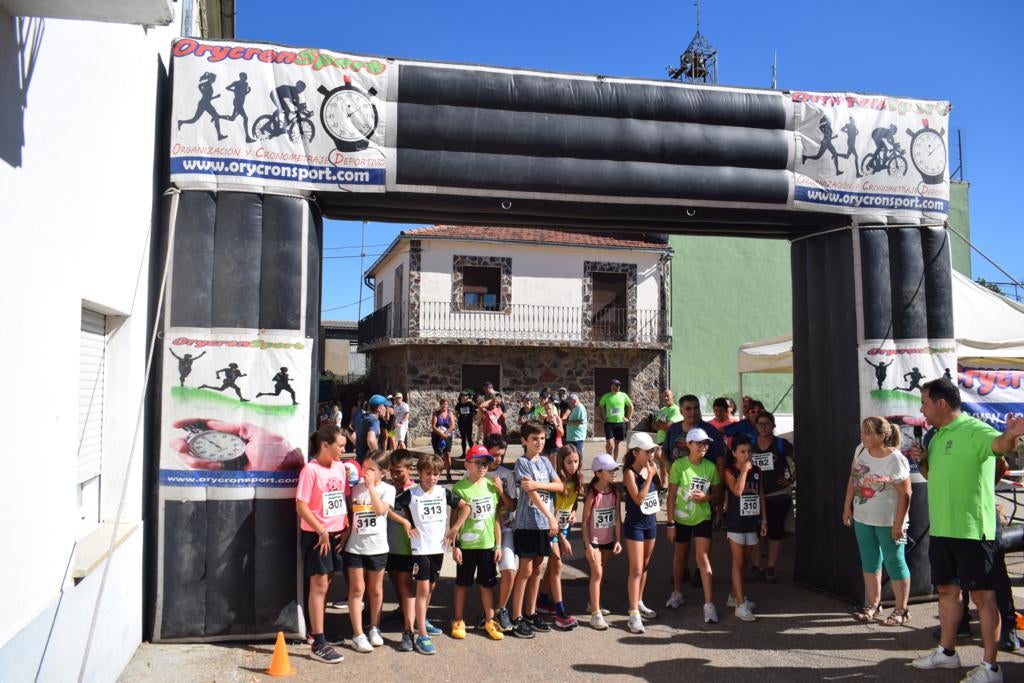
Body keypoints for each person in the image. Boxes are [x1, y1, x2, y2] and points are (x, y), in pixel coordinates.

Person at [909, 378, 1024, 681]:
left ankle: (991, 667)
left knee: (984, 598)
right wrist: (922, 461)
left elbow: (1000, 446)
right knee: (947, 591)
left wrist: (1012, 435)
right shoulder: (936, 436)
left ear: (941, 403)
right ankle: (947, 652)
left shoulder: (975, 430)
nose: (922, 409)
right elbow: (931, 474)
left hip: (974, 531)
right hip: (943, 528)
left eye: (924, 403)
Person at [392, 454, 465, 655]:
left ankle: (421, 620)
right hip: (420, 549)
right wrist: (406, 523)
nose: (432, 478)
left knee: (431, 587)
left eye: (435, 474)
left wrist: (454, 529)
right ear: (419, 473)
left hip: (438, 548)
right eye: (428, 474)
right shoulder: (412, 494)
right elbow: (390, 508)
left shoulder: (443, 492)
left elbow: (465, 507)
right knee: (423, 589)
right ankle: (422, 635)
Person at [842, 417, 911, 626]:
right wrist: (847, 506)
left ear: (882, 436)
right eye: (862, 431)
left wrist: (899, 523)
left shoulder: (895, 458)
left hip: (889, 520)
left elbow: (906, 493)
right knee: (869, 560)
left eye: (868, 432)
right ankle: (873, 604)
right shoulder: (860, 450)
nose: (862, 436)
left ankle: (901, 610)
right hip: (863, 517)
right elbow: (853, 478)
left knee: (895, 561)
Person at [295, 425, 350, 664]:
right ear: (325, 445)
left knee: (327, 584)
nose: (343, 450)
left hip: (336, 534)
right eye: (340, 446)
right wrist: (321, 530)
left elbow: (341, 499)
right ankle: (318, 642)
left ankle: (318, 631)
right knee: (318, 586)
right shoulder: (311, 470)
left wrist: (346, 526)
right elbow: (301, 505)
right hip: (318, 536)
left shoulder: (340, 467)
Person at [510, 421, 563, 638]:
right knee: (525, 570)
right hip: (527, 524)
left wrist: (538, 484)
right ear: (524, 441)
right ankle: (516, 616)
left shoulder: (546, 463)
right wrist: (551, 516)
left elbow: (559, 485)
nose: (539, 443)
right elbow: (529, 492)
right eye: (534, 439)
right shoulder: (522, 463)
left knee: (537, 570)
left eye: (542, 439)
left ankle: (530, 613)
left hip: (543, 525)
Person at [666, 427, 723, 624]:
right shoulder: (679, 465)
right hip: (681, 519)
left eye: (706, 443)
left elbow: (718, 493)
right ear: (689, 445)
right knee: (680, 557)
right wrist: (670, 523)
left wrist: (706, 498)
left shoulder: (710, 467)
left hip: (702, 518)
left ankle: (709, 604)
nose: (703, 447)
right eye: (699, 443)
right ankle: (677, 592)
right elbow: (671, 496)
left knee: (703, 558)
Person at [450, 445, 505, 640]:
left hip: (487, 545)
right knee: (462, 584)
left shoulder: (491, 486)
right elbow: (454, 520)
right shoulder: (459, 488)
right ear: (467, 464)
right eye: (478, 463)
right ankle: (458, 619)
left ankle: (490, 620)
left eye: (486, 463)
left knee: (487, 585)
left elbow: (496, 518)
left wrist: (498, 545)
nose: (483, 466)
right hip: (466, 547)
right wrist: (455, 546)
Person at [344, 450, 396, 653]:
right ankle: (358, 634)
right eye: (364, 468)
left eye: (371, 469)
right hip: (355, 548)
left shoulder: (388, 489)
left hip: (378, 548)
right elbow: (350, 516)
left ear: (382, 472)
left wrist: (371, 488)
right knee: (357, 589)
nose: (366, 473)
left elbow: (381, 510)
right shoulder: (355, 490)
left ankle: (375, 627)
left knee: (375, 590)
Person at [723, 436, 767, 622]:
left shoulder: (757, 470)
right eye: (742, 452)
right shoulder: (729, 470)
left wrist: (764, 519)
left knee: (745, 561)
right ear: (734, 453)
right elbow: (737, 491)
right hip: (736, 522)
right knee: (738, 561)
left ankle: (734, 596)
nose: (746, 455)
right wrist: (744, 471)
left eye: (749, 451)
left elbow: (760, 494)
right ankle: (740, 605)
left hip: (752, 521)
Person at [537, 444, 581, 630]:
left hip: (564, 527)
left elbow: (573, 503)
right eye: (569, 462)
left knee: (553, 566)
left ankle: (542, 599)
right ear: (561, 462)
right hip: (551, 528)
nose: (573, 466)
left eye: (576, 462)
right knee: (557, 565)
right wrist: (562, 538)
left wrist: (574, 513)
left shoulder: (577, 479)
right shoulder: (556, 483)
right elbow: (550, 510)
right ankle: (560, 613)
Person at [621, 432, 660, 633]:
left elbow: (656, 493)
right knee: (635, 569)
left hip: (651, 523)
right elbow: (638, 499)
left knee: (644, 566)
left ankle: (639, 601)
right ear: (635, 452)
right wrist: (650, 476)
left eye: (652, 451)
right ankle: (633, 613)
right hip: (635, 525)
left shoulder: (650, 467)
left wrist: (654, 474)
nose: (651, 455)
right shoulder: (629, 473)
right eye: (647, 451)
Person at [750, 411, 795, 582]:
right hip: (754, 494)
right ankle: (756, 567)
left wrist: (790, 480)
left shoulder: (781, 444)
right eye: (760, 424)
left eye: (767, 424)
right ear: (755, 426)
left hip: (777, 494)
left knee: (775, 532)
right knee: (754, 532)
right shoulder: (751, 443)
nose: (763, 427)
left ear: (773, 425)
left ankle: (770, 568)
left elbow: (800, 460)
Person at [582, 453, 622, 630]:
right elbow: (584, 521)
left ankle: (593, 603)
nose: (614, 472)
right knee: (597, 572)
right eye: (610, 470)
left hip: (609, 539)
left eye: (615, 469)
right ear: (598, 473)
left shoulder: (615, 492)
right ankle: (595, 614)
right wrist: (588, 544)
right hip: (594, 540)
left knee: (601, 572)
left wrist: (618, 539)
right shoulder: (593, 493)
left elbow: (617, 518)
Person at [384, 449, 418, 652]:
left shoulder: (415, 491)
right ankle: (402, 611)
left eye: (399, 472)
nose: (395, 475)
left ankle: (410, 627)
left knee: (406, 585)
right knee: (395, 579)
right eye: (392, 471)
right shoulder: (388, 489)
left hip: (407, 548)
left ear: (410, 469)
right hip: (389, 546)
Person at [484, 433, 518, 632]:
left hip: (505, 528)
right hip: (483, 531)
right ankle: (487, 613)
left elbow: (512, 506)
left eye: (501, 455)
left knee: (509, 570)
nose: (498, 459)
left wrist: (500, 491)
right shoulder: (476, 472)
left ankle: (501, 608)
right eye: (494, 455)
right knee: (486, 576)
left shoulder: (507, 474)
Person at [598, 379, 633, 461]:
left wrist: (628, 418)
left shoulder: (623, 395)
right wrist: (602, 417)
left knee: (616, 444)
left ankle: (614, 461)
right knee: (610, 444)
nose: (618, 387)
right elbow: (600, 407)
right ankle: (608, 460)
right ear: (611, 386)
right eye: (616, 385)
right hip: (609, 423)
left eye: (619, 385)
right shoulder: (606, 396)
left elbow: (631, 406)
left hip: (620, 423)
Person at [356, 394, 390, 462]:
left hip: (360, 459)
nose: (386, 409)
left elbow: (349, 430)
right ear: (379, 408)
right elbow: (371, 440)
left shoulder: (363, 417)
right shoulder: (374, 421)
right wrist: (378, 458)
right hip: (369, 461)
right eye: (385, 406)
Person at [430, 397, 457, 480]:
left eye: (446, 404)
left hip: (447, 436)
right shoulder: (436, 413)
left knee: (447, 455)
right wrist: (441, 434)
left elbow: (453, 425)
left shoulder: (450, 413)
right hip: (437, 437)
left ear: (447, 405)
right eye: (443, 404)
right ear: (440, 405)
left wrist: (445, 433)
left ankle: (448, 474)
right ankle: (437, 473)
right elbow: (433, 426)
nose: (444, 406)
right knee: (438, 456)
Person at [563, 393, 588, 458]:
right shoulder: (575, 408)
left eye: (569, 402)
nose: (568, 404)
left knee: (578, 455)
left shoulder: (580, 408)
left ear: (574, 401)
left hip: (577, 437)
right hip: (572, 437)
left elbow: (581, 421)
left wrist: (567, 422)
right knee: (572, 455)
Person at [456, 391, 475, 456]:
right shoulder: (459, 404)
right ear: (461, 397)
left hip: (469, 422)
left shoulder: (470, 404)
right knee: (463, 438)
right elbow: (455, 413)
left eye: (466, 396)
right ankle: (464, 453)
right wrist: (460, 417)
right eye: (464, 396)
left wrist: (471, 416)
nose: (466, 397)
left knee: (469, 438)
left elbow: (475, 411)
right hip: (461, 423)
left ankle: (472, 453)